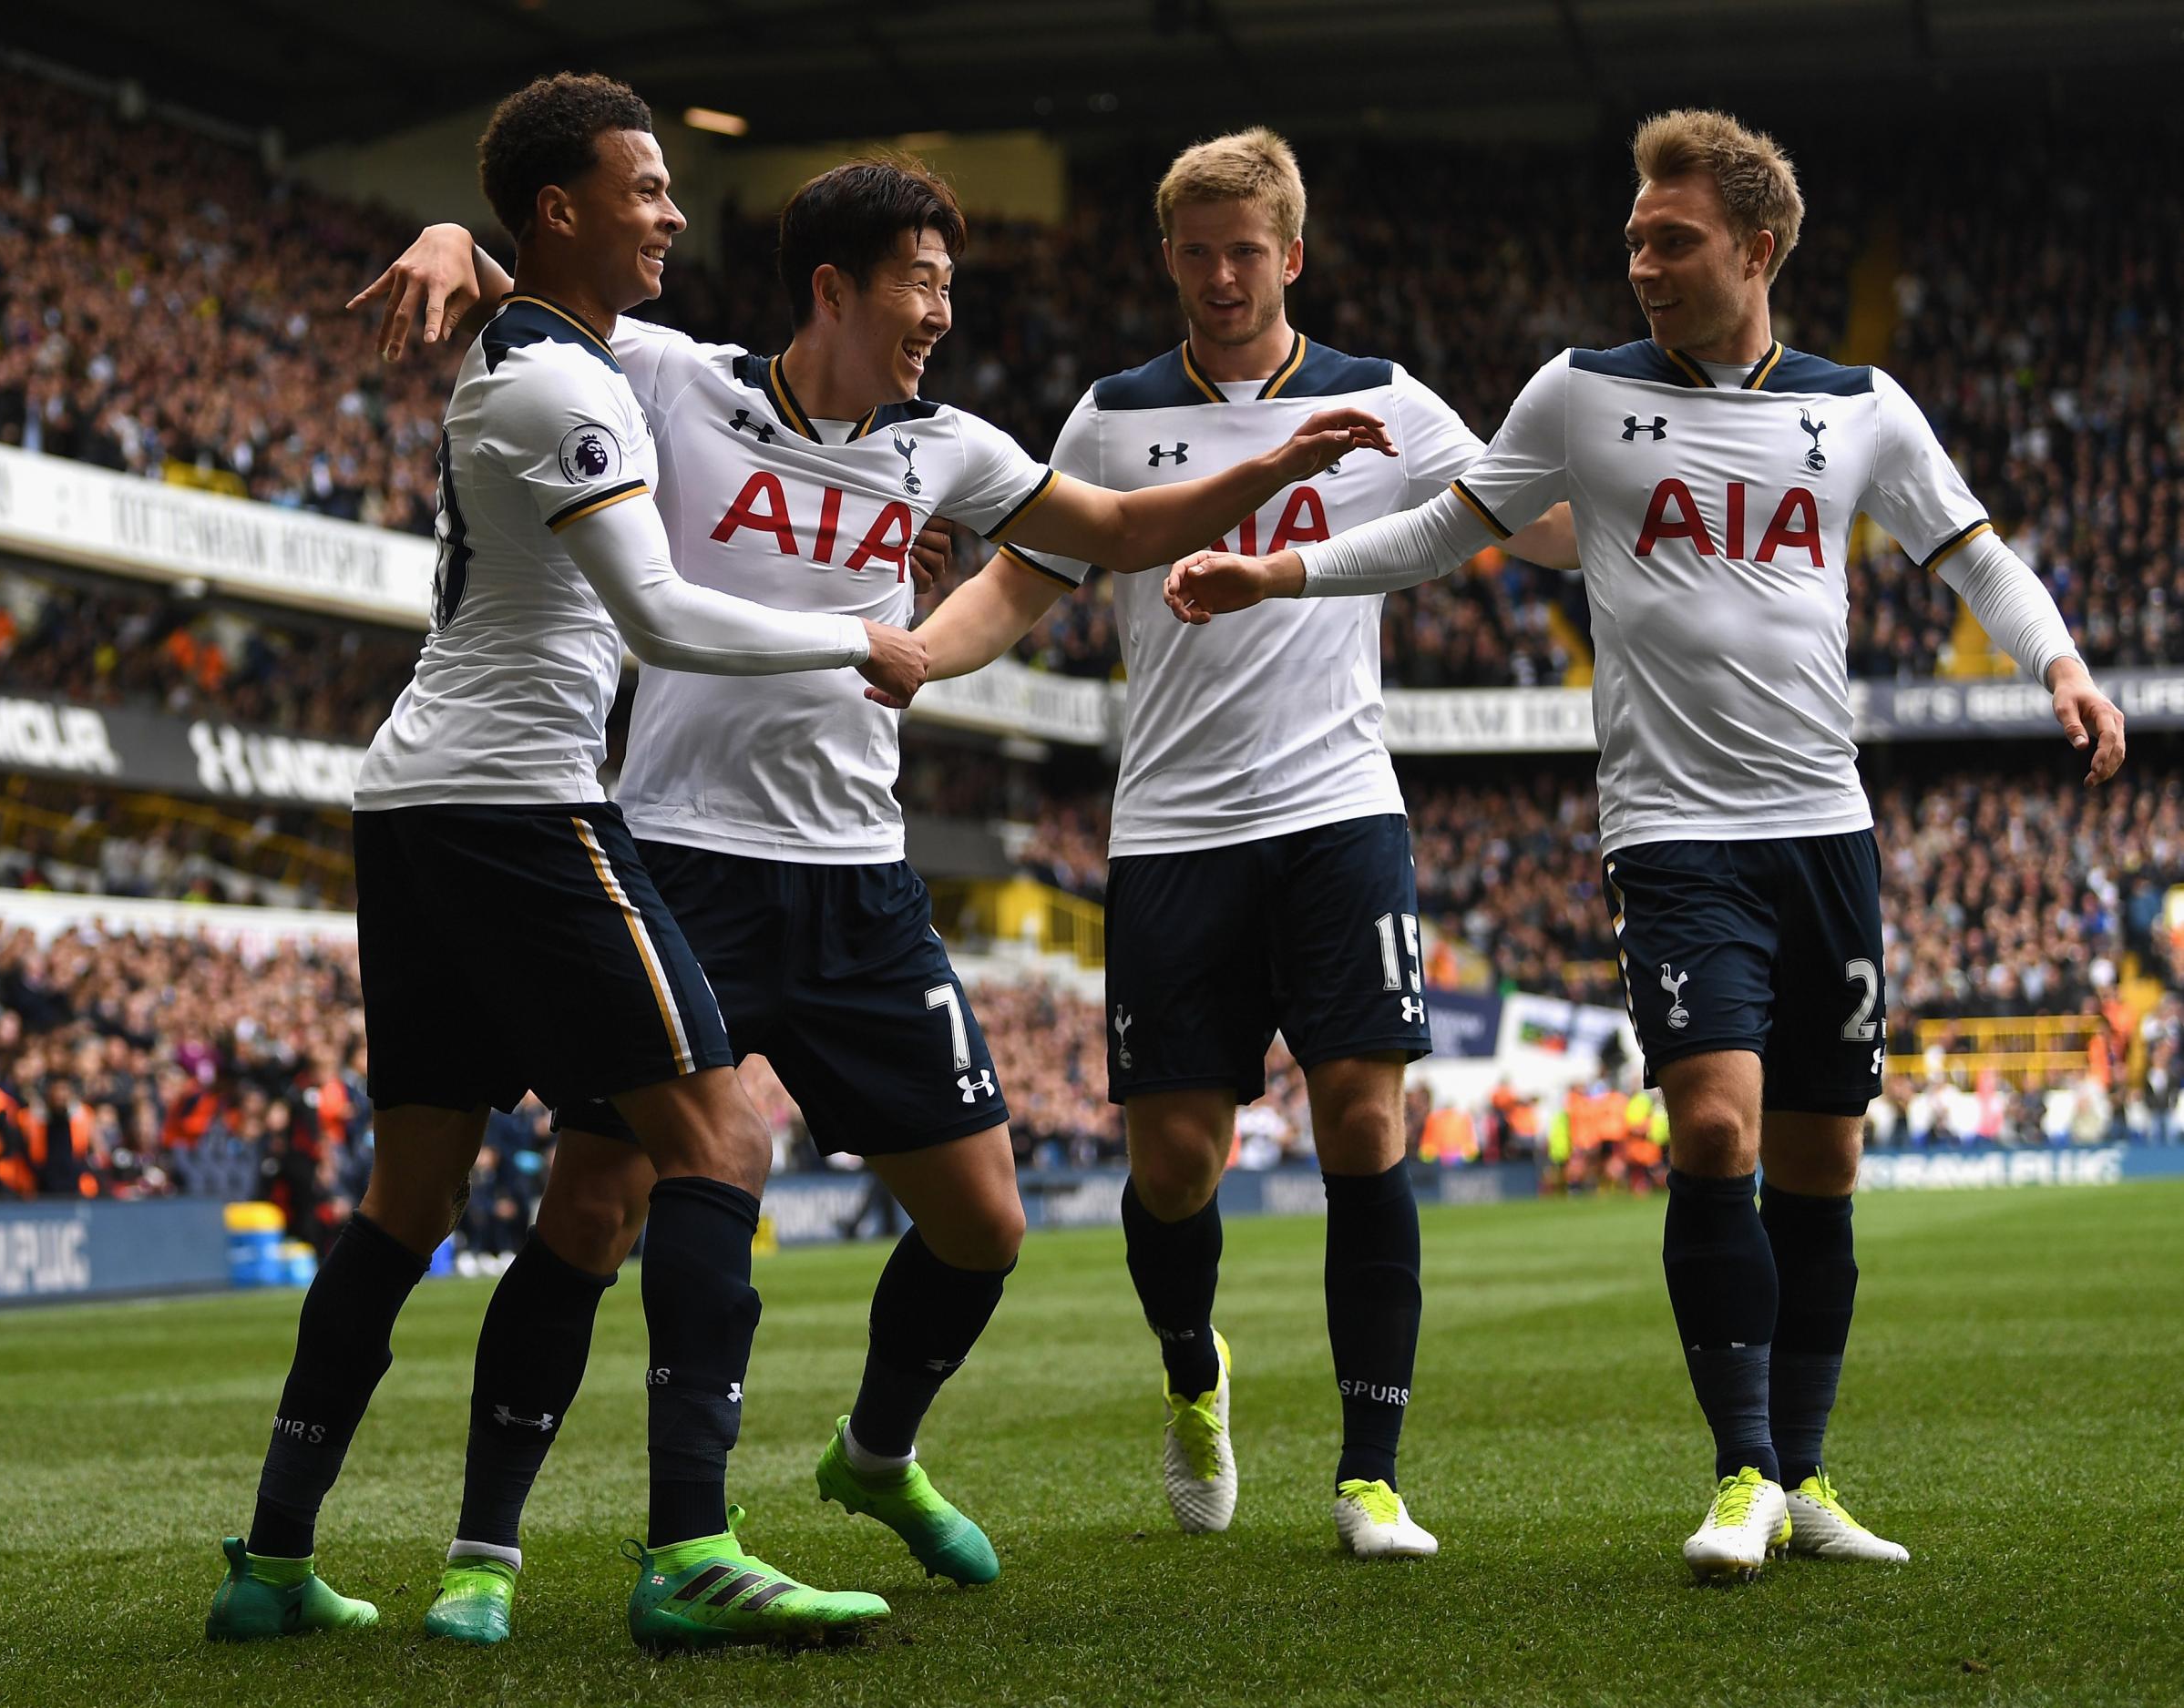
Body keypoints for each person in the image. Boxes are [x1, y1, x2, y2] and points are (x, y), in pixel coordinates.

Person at [353, 152, 1384, 1632]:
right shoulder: (672, 378)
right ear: (834, 287)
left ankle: (876, 1455)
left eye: (952, 288)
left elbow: (1109, 528)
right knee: (591, 1207)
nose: (941, 316)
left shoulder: (951, 445)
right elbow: (540, 309)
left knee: (985, 1224)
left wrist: (1270, 474)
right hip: (685, 857)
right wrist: (458, 228)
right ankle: (485, 1552)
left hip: (860, 884)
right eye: (921, 283)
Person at [1161, 109, 2126, 1581]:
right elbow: (1440, 531)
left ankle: (1804, 1477)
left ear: (1757, 246)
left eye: (1669, 240)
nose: (1641, 263)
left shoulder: (1861, 404)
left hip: (1828, 829)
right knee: (1718, 1130)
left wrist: (2055, 663)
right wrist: (1280, 570)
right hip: (1674, 836)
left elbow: (1972, 554)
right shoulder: (1579, 393)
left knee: (1820, 1164)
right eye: (1631, 239)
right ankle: (1739, 1469)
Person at [205, 73, 928, 1653]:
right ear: (563, 210)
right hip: (517, 812)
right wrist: (856, 640)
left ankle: (270, 1561)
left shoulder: (548, 358)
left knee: (408, 1199)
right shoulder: (563, 390)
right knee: (719, 1137)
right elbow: (662, 618)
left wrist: (457, 236)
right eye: (646, 187)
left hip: (420, 807)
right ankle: (689, 1548)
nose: (674, 212)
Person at [910, 128, 1575, 1558]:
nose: (1222, 276)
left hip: (1341, 809)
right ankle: (1194, 1373)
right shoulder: (1110, 420)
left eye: (1246, 250)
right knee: (1176, 1170)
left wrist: (1684, 518)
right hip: (1173, 830)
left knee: (1363, 1122)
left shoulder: (1383, 399)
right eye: (1197, 252)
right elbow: (1023, 585)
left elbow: (1533, 521)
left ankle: (1371, 1475)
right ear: (1170, 258)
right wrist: (918, 652)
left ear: (1292, 253)